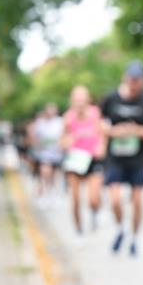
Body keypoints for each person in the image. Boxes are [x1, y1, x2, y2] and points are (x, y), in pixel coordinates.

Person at [101, 60, 143, 257]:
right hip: (116, 157)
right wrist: (113, 132)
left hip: (137, 159)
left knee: (137, 201)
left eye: (138, 79)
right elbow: (99, 124)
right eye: (131, 78)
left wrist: (138, 131)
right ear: (125, 77)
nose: (134, 83)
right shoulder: (111, 98)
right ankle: (121, 229)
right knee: (115, 199)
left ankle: (135, 237)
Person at [61, 85, 105, 234]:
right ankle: (78, 230)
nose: (80, 103)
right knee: (75, 200)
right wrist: (67, 142)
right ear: (72, 101)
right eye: (77, 100)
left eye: (82, 99)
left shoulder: (95, 113)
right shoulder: (68, 118)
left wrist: (101, 146)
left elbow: (102, 134)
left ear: (88, 100)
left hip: (92, 159)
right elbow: (62, 141)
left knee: (93, 198)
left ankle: (95, 212)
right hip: (75, 160)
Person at [30, 103, 64, 202]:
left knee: (53, 174)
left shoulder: (60, 122)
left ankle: (52, 191)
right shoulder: (40, 123)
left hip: (57, 154)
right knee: (45, 171)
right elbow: (34, 137)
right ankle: (45, 191)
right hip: (44, 154)